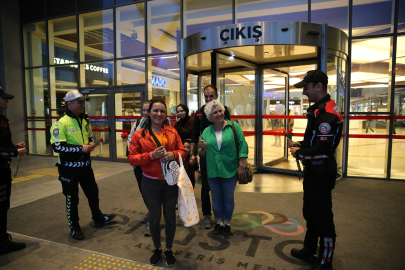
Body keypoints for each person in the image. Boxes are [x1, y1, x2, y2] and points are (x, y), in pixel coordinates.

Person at [289, 70, 343, 270]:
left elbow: (323, 148)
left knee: (323, 219)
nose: (304, 92)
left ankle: (325, 261)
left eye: (306, 87)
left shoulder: (327, 112)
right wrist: (300, 145)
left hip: (321, 173)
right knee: (310, 214)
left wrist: (300, 153)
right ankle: (310, 251)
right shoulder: (319, 109)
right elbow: (314, 140)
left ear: (318, 86)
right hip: (314, 172)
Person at [50, 90, 116, 241]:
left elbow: (89, 135)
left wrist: (91, 142)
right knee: (72, 199)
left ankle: (98, 218)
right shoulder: (60, 123)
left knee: (93, 193)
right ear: (69, 104)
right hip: (68, 169)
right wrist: (81, 148)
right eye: (79, 102)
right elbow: (57, 147)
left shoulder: (84, 119)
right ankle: (74, 226)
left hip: (85, 166)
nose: (82, 104)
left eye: (83, 101)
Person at [128, 99, 185, 267]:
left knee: (170, 218)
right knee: (154, 218)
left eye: (162, 111)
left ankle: (168, 249)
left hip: (170, 183)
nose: (158, 114)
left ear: (166, 114)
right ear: (148, 112)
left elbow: (182, 150)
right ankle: (157, 248)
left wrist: (174, 154)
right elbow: (132, 158)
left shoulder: (172, 132)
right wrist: (151, 156)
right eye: (155, 110)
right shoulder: (139, 134)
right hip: (150, 182)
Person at [198, 100, 248, 239]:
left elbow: (242, 145)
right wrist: (202, 148)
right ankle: (219, 222)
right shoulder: (207, 131)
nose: (219, 114)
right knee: (216, 198)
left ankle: (227, 223)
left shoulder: (233, 127)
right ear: (210, 116)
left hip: (230, 169)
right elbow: (201, 153)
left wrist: (241, 165)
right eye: (215, 112)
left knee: (228, 198)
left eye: (220, 110)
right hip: (213, 170)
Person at [190, 85, 231, 229]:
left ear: (217, 95)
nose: (208, 99)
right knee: (206, 185)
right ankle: (207, 215)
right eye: (206, 96)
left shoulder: (223, 109)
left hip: (223, 156)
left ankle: (224, 217)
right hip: (206, 155)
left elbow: (230, 129)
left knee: (223, 186)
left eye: (211, 96)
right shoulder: (200, 113)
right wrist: (192, 154)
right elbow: (195, 134)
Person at [0, 86, 27, 255]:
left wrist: (12, 147)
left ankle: (2, 238)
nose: (7, 100)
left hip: (3, 170)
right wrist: (13, 152)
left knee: (3, 205)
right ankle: (2, 243)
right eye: (4, 98)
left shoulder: (2, 118)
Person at [127, 100, 151, 236]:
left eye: (148, 110)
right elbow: (130, 139)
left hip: (151, 166)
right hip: (138, 164)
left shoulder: (160, 124)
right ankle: (152, 212)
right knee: (143, 191)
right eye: (144, 110)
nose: (146, 113)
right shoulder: (138, 123)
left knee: (151, 193)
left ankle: (153, 220)